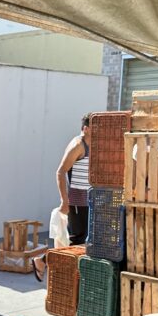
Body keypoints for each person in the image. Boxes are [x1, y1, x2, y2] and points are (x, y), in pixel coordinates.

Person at [34, 113, 92, 280]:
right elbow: (60, 172)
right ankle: (43, 261)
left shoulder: (93, 145)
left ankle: (46, 262)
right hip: (77, 202)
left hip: (89, 201)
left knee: (83, 242)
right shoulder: (78, 145)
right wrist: (64, 201)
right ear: (86, 129)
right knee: (76, 242)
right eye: (96, 127)